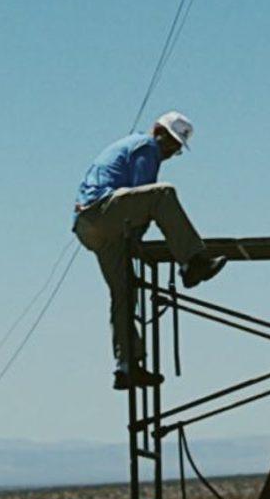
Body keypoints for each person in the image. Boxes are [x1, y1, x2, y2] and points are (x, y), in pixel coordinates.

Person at [74, 112, 225, 389]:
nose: (169, 153)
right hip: (102, 212)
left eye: (176, 150)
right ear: (158, 132)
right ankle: (192, 262)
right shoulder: (146, 147)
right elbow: (144, 194)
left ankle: (127, 366)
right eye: (170, 145)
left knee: (123, 293)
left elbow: (134, 208)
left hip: (91, 227)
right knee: (162, 194)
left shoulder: (137, 146)